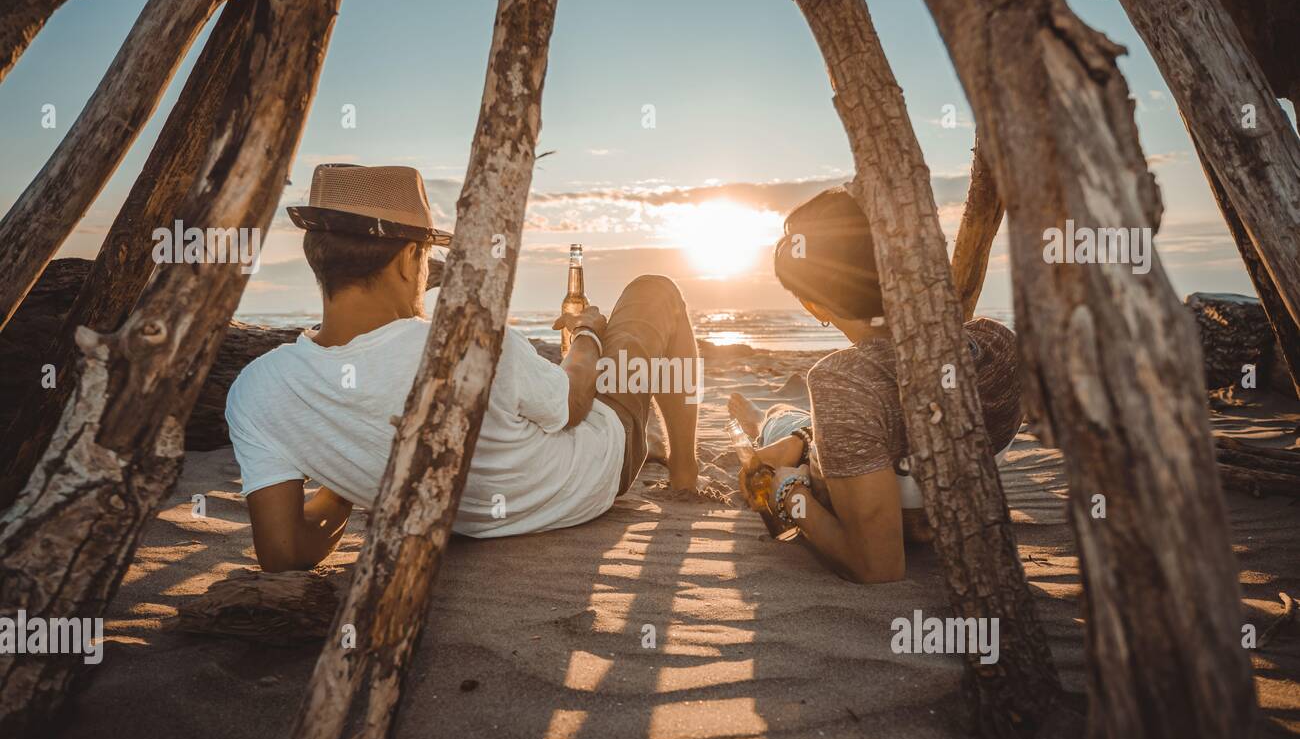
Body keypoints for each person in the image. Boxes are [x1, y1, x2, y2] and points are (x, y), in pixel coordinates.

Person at [225, 164, 699, 571]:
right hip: (589, 483)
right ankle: (684, 469)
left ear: (315, 260)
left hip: (462, 522)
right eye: (427, 256)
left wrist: (349, 468)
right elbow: (572, 406)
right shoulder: (468, 339)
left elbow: (284, 552)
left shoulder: (259, 389)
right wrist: (589, 335)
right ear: (412, 261)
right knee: (654, 289)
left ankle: (654, 437)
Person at [733, 186, 1023, 585]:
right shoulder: (998, 345)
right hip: (861, 441)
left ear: (813, 305)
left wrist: (789, 494)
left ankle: (768, 423)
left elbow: (878, 565)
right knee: (798, 424)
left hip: (850, 455)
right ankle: (792, 431)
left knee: (775, 426)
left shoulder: (841, 380)